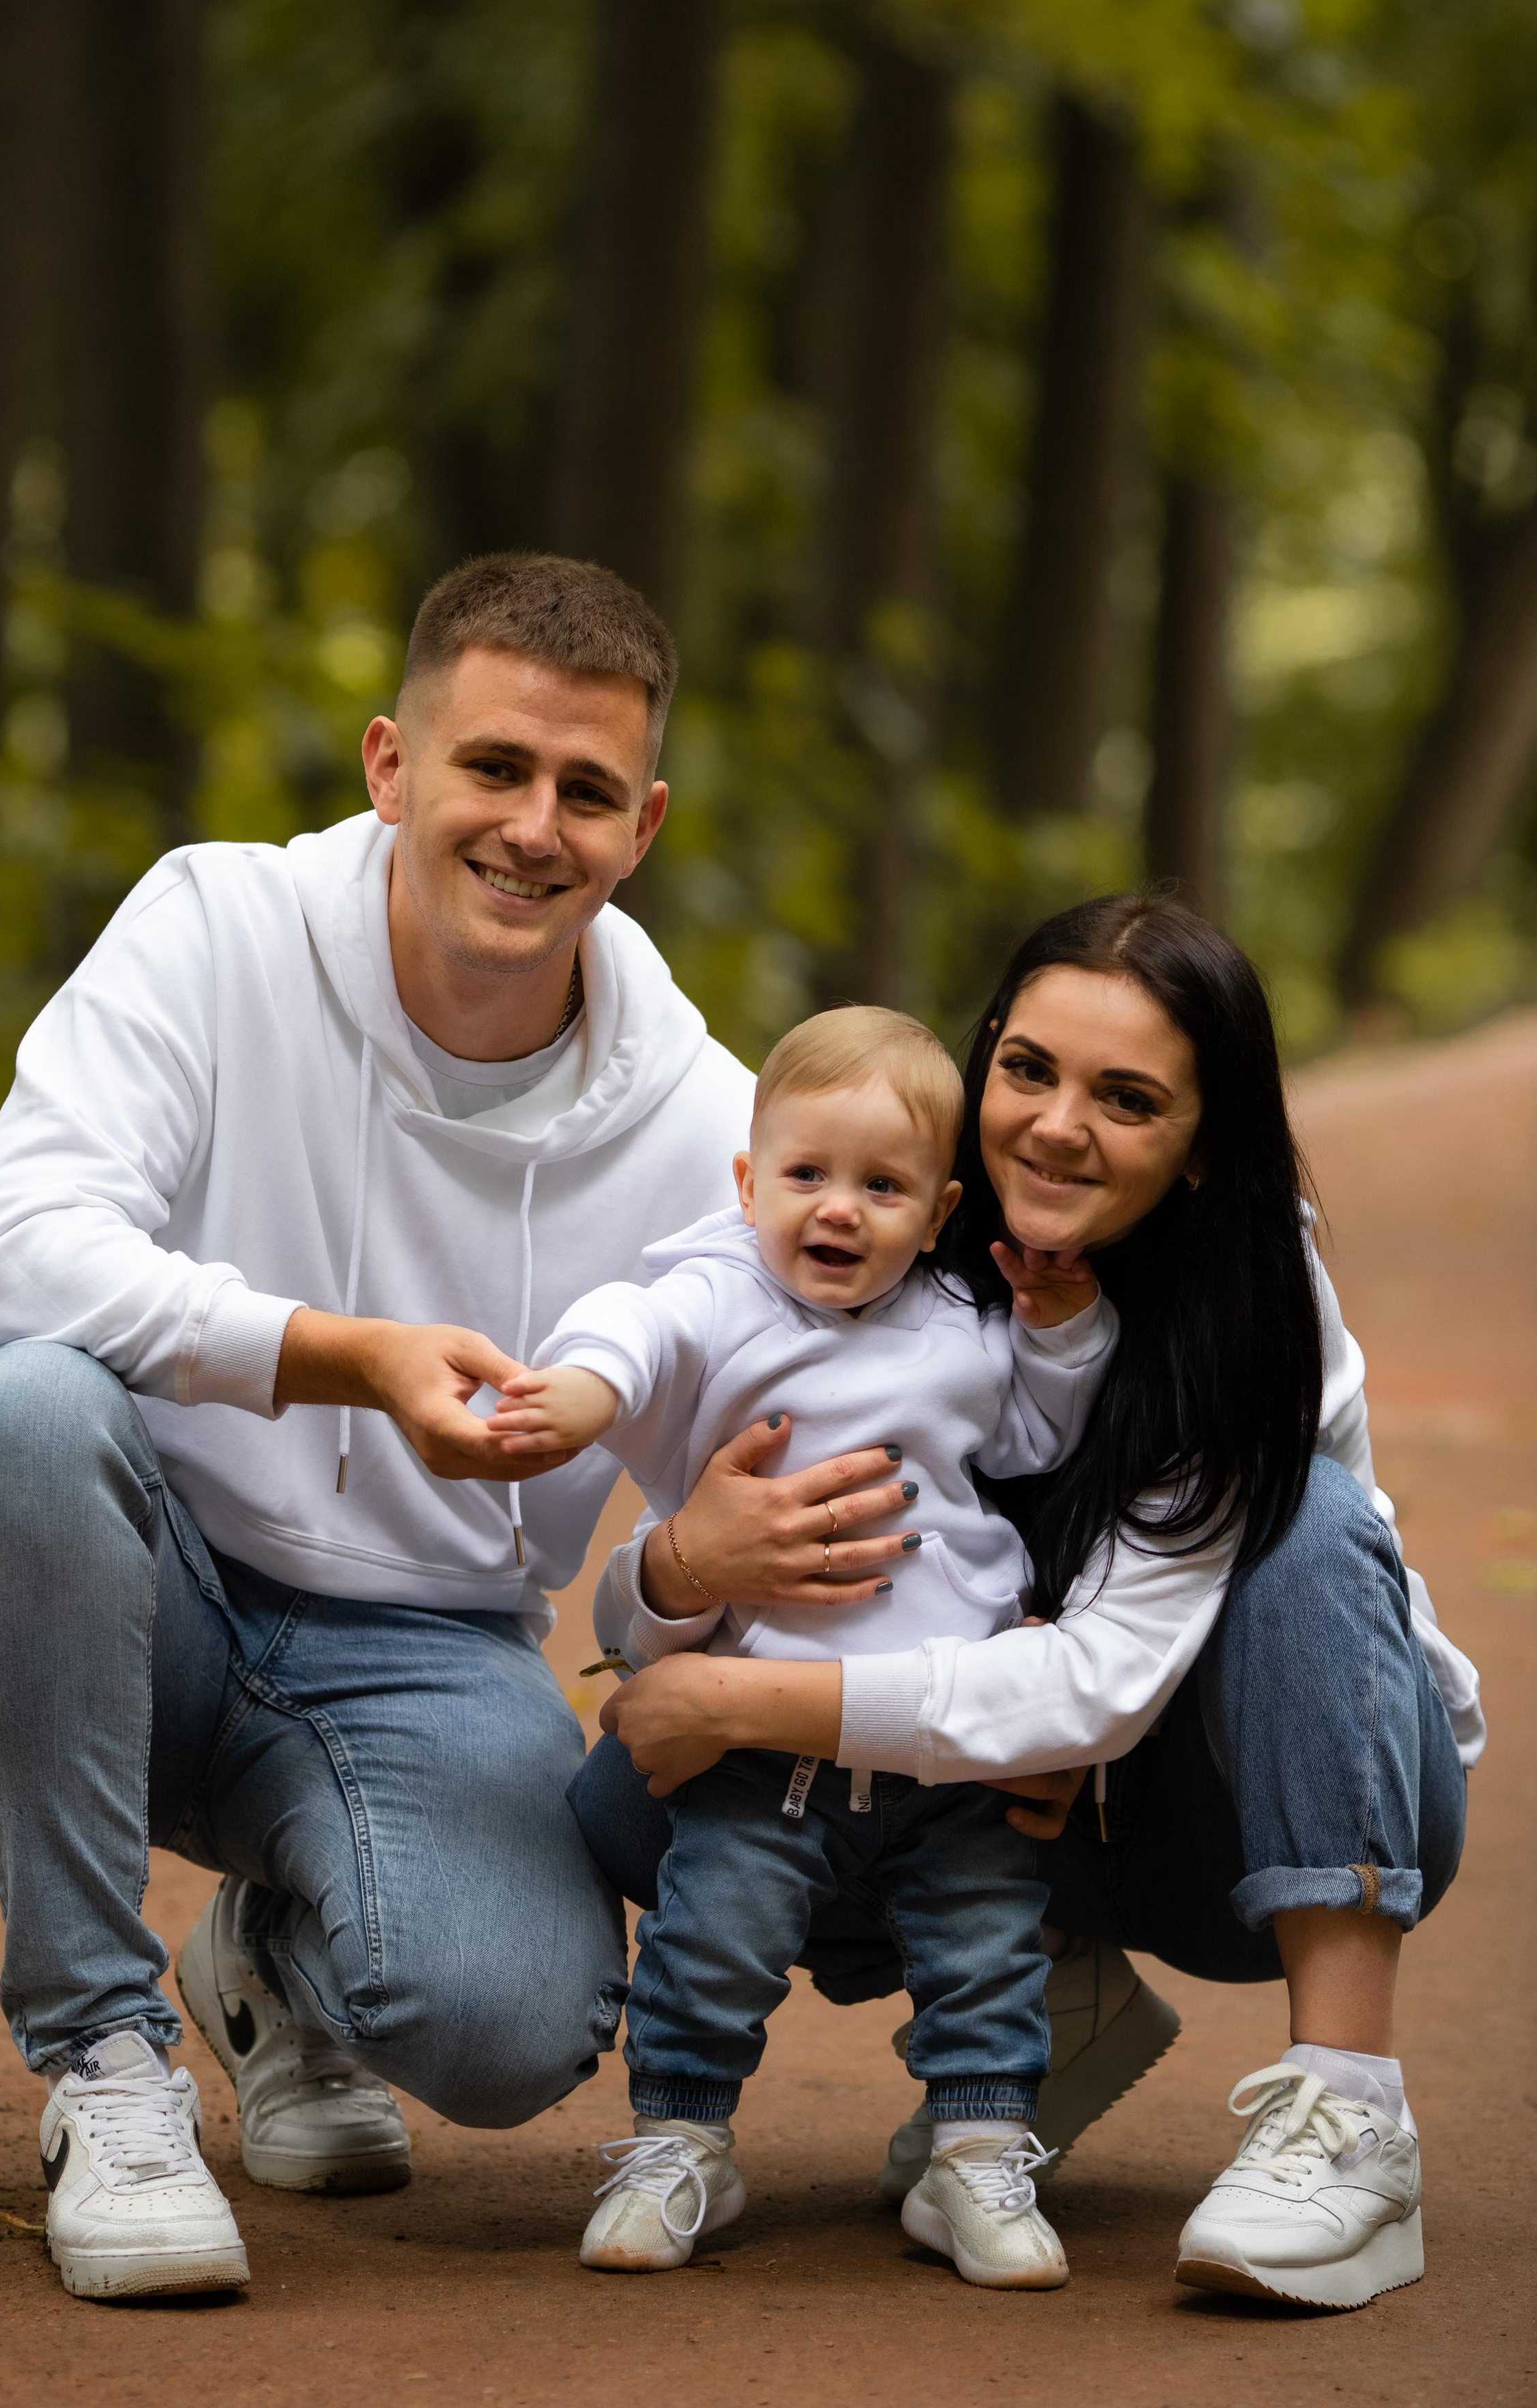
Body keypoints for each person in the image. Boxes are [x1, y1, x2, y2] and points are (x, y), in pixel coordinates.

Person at [0, 553, 847, 2302]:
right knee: (22, 1410)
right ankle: (103, 2058)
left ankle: (271, 1949)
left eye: (582, 792)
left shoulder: (709, 1125)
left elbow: (766, 1481)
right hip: (137, 1585)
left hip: (426, 1648)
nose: (530, 827)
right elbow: (8, 1260)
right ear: (390, 765)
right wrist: (341, 1356)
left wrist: (686, 1569)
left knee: (511, 2032)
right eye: (491, 767)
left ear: (641, 825)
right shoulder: (213, 926)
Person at [570, 894, 1481, 2313]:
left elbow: (1106, 1682)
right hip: (989, 1790)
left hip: (1244, 1798)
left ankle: (1349, 2106)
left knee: (1307, 1518)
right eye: (1029, 1070)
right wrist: (679, 1573)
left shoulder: (1244, 1307)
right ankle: (1050, 1996)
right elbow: (650, 1609)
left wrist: (735, 1696)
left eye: (1125, 1099)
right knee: (638, 1804)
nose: (1055, 1127)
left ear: (1198, 1146)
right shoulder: (874, 1198)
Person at [496, 1006, 1116, 2284]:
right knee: (714, 1933)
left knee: (986, 1943)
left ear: (940, 1209)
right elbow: (636, 1325)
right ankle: (682, 2143)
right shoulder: (722, 1292)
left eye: (883, 1187)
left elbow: (1043, 1440)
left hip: (953, 1730)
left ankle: (979, 2155)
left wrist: (1058, 1328)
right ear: (748, 1183)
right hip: (764, 1724)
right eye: (807, 1176)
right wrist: (581, 1393)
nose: (839, 1211)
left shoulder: (964, 1317)